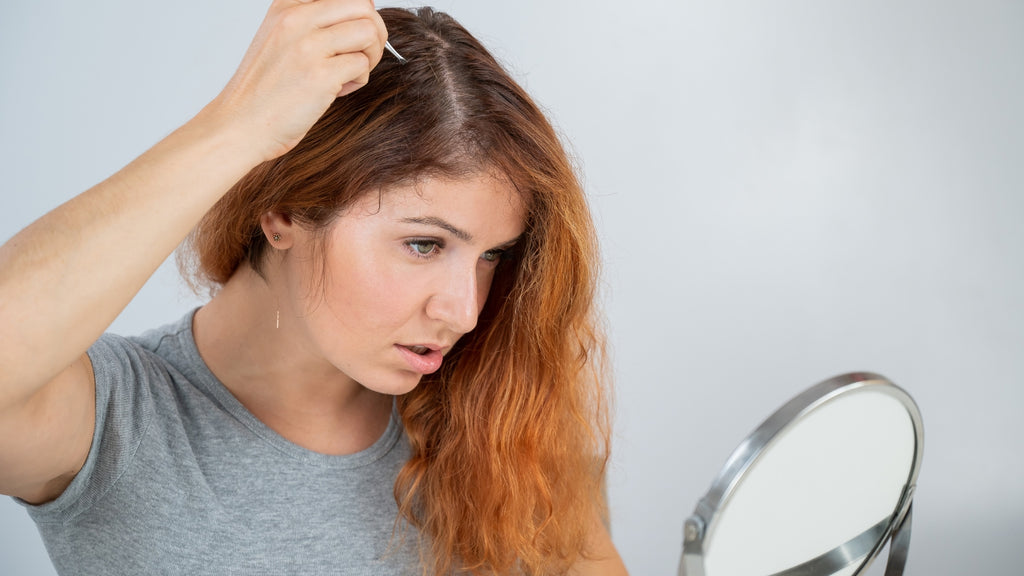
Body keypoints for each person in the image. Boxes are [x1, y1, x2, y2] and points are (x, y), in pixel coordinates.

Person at [0, 1, 625, 574]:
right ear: (284, 211)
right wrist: (238, 126)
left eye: (492, 255)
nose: (463, 311)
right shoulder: (115, 422)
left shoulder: (505, 423)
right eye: (423, 244)